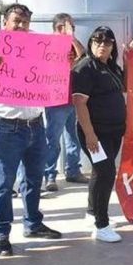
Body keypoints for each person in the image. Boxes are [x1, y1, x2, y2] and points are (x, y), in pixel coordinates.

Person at [0, 4, 62, 257]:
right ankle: (1, 233)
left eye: (25, 21)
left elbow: (54, 75)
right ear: (5, 22)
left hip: (36, 122)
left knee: (34, 180)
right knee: (4, 184)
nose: (21, 26)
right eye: (16, 21)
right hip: (8, 127)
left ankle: (33, 223)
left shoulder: (38, 46)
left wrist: (62, 62)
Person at [72, 26, 126, 243]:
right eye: (97, 41)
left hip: (113, 131)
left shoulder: (112, 67)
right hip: (96, 132)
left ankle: (92, 213)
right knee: (106, 173)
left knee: (99, 173)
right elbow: (79, 103)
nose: (102, 45)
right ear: (91, 43)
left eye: (107, 42)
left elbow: (125, 87)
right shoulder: (85, 67)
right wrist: (90, 134)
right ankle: (101, 225)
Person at [43, 13, 89, 193]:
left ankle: (73, 170)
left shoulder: (71, 43)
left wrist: (73, 39)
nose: (73, 29)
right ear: (60, 27)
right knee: (53, 138)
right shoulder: (49, 44)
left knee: (73, 136)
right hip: (56, 100)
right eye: (71, 26)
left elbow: (83, 56)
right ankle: (50, 174)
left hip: (72, 97)